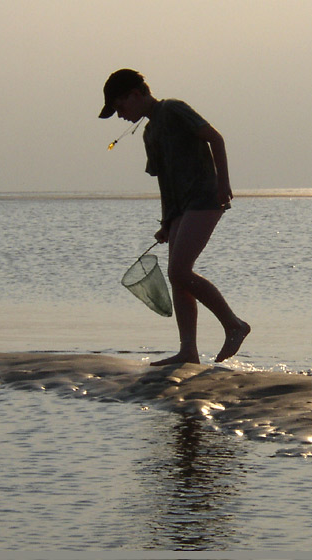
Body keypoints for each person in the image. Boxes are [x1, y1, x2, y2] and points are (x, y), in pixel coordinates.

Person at [99, 69, 251, 366]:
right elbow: (165, 180)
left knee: (180, 272)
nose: (120, 115)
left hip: (205, 198)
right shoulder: (149, 132)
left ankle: (234, 324)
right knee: (177, 277)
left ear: (135, 94)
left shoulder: (173, 109)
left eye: (121, 107)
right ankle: (188, 351)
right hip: (180, 208)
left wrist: (224, 183)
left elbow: (215, 139)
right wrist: (166, 221)